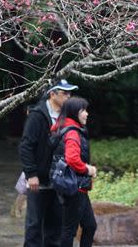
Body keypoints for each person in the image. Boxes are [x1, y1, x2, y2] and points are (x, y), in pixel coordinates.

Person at [19, 79, 79, 247]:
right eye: (64, 93)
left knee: (55, 228)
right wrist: (31, 174)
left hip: (59, 181)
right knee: (34, 225)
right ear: (52, 94)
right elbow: (25, 147)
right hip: (39, 179)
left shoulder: (67, 116)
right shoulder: (37, 115)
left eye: (70, 93)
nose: (68, 96)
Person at [50, 96, 98, 247]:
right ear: (74, 112)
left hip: (75, 187)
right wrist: (88, 170)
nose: (87, 114)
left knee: (90, 225)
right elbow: (72, 159)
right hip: (74, 188)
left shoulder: (62, 127)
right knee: (69, 230)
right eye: (84, 110)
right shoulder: (72, 133)